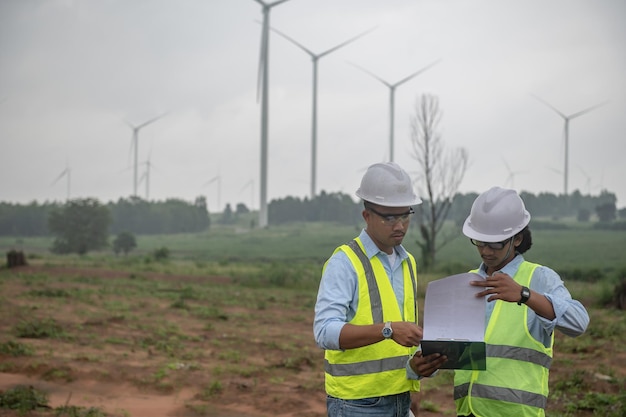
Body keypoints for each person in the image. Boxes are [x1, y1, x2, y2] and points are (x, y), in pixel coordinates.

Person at [313, 162, 445, 417]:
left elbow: (405, 340)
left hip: (400, 400)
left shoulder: (408, 263)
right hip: (356, 405)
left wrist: (416, 371)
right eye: (389, 217)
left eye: (405, 215)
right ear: (367, 216)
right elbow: (324, 331)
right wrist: (387, 330)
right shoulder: (345, 262)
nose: (400, 225)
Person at [454, 186, 590, 417]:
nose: (485, 251)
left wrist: (525, 295)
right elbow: (453, 346)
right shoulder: (468, 282)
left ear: (517, 238)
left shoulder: (539, 278)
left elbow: (579, 323)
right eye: (479, 241)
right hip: (468, 410)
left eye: (495, 243)